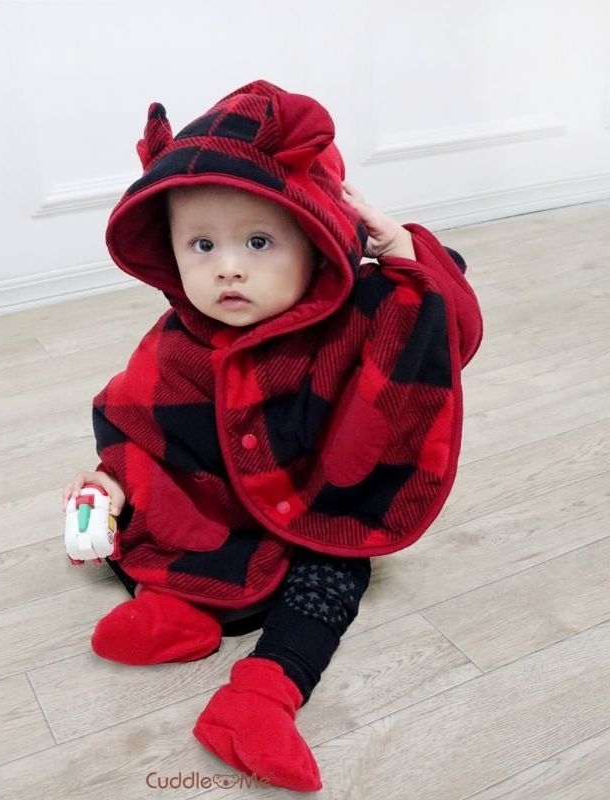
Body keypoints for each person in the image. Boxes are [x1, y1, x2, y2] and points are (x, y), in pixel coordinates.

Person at [63, 80, 482, 792]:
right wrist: (112, 482)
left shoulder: (363, 315)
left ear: (317, 242)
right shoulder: (179, 338)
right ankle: (179, 610)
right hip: (221, 506)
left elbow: (446, 339)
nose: (228, 267)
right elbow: (141, 421)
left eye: (258, 241)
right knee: (157, 521)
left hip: (315, 504)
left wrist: (404, 249)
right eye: (202, 244)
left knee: (336, 572)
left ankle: (265, 691)